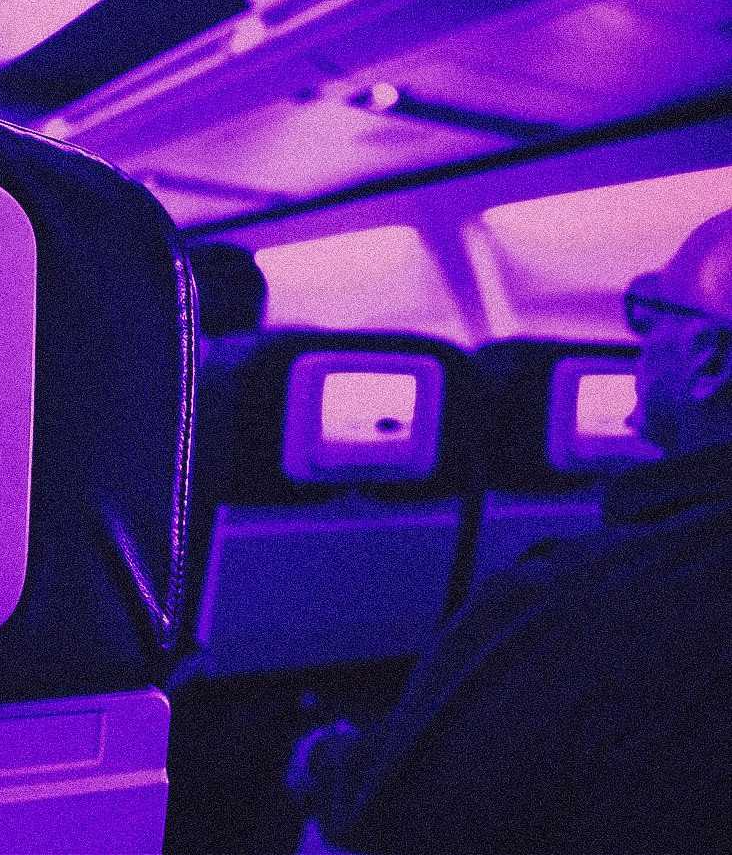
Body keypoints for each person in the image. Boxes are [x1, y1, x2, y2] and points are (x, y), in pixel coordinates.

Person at [290, 211, 732, 852]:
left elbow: (399, 813)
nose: (636, 342)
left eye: (648, 313)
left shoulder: (585, 602)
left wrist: (324, 760)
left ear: (710, 360)